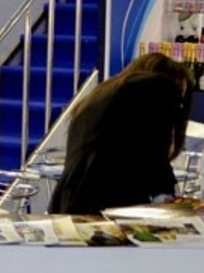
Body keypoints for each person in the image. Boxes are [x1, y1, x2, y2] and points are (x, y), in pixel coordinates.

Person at [47, 52, 193, 214]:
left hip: (70, 202)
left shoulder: (103, 93)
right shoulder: (159, 85)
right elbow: (155, 151)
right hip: (107, 203)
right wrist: (168, 195)